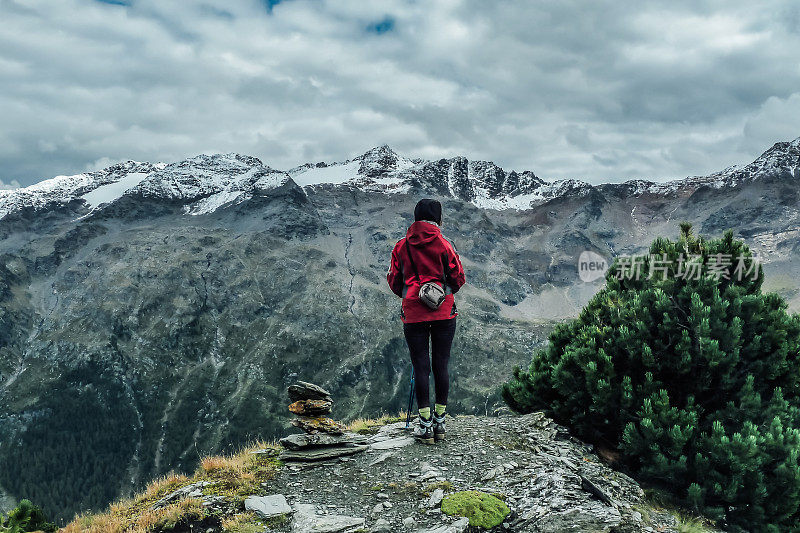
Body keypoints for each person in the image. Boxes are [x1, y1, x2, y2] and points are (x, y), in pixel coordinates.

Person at [386, 199, 466, 444]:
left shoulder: (401, 247)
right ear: (438, 220)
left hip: (413, 314)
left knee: (420, 366)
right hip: (443, 313)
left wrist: (411, 294)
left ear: (415, 219)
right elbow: (459, 278)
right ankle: (440, 422)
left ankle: (424, 426)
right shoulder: (445, 245)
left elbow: (393, 280)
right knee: (441, 364)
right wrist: (441, 291)